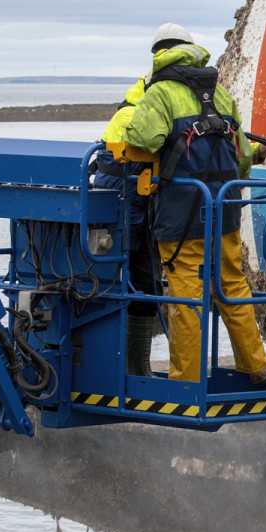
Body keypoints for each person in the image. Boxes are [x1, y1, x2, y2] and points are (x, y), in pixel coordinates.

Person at [122, 23, 266, 386]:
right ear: (193, 51)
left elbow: (145, 140)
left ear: (158, 54)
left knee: (186, 297)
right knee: (231, 283)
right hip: (224, 210)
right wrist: (258, 153)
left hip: (181, 214)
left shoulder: (160, 93)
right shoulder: (219, 94)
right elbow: (239, 156)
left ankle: (185, 381)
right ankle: (255, 364)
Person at [91, 77, 161, 375]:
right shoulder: (146, 117)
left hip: (109, 206)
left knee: (112, 280)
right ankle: (136, 368)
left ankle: (115, 363)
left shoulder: (124, 113)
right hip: (129, 207)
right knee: (144, 283)